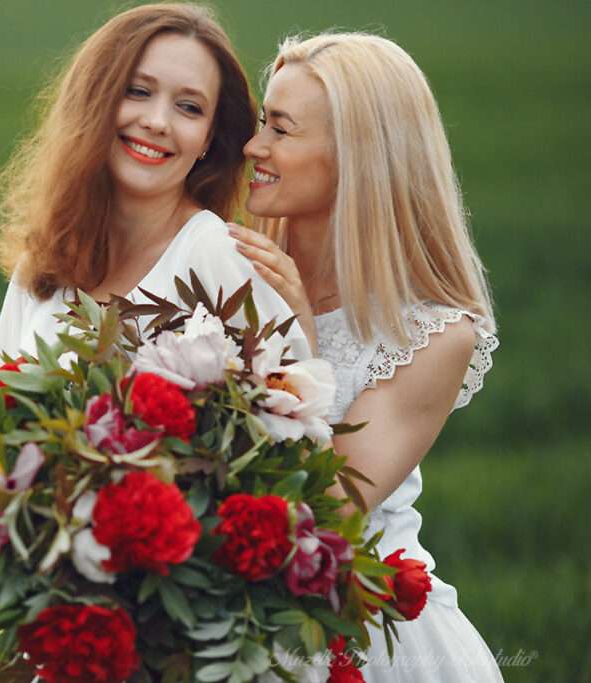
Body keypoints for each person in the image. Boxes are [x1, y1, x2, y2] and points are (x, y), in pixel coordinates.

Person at [229, 32, 503, 680]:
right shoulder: (228, 268)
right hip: (227, 623)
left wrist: (297, 335)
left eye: (281, 129)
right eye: (263, 122)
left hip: (366, 637)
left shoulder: (435, 336)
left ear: (356, 156)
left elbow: (327, 512)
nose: (253, 147)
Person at [0, 3, 309, 368]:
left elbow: (295, 409)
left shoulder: (217, 255)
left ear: (209, 137)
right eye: (138, 92)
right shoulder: (46, 258)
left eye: (189, 107)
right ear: (93, 100)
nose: (157, 122)